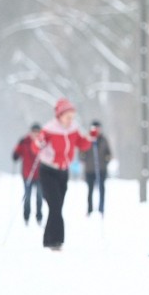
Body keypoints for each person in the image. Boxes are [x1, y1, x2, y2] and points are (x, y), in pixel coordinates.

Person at [32, 98, 97, 250]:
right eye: (68, 117)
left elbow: (82, 144)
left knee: (58, 206)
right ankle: (56, 241)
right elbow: (36, 148)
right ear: (60, 115)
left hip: (63, 172)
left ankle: (49, 240)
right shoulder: (49, 129)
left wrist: (91, 136)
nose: (70, 120)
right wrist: (38, 143)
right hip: (48, 170)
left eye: (72, 117)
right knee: (55, 205)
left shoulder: (73, 129)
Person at [79, 120, 112, 216]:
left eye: (98, 128)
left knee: (102, 189)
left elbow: (108, 153)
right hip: (89, 170)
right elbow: (81, 153)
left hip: (101, 169)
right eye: (95, 128)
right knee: (90, 190)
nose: (97, 130)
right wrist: (83, 157)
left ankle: (101, 208)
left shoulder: (103, 140)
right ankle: (90, 209)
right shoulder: (87, 139)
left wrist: (107, 159)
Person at [12, 123, 43, 225]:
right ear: (30, 132)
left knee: (39, 196)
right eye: (34, 132)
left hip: (39, 175)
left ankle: (39, 216)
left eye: (37, 132)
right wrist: (15, 154)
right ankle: (26, 216)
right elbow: (16, 154)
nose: (35, 134)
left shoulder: (43, 142)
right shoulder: (24, 141)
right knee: (27, 196)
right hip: (27, 174)